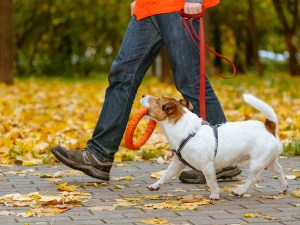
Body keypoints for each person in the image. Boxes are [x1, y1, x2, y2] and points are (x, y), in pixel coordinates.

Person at [52, 0, 241, 183]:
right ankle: (99, 154)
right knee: (122, 75)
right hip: (148, 7)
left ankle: (222, 159)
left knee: (190, 82)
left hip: (178, 6)